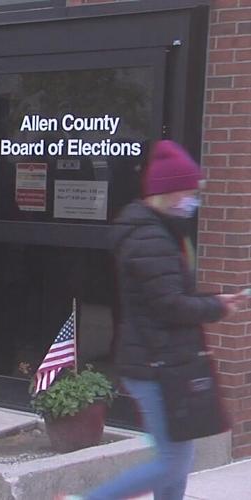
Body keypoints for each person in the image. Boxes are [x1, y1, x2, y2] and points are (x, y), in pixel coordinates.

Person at [66, 141, 247, 500]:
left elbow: (169, 294)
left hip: (162, 359)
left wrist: (213, 299)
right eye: (189, 192)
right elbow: (170, 305)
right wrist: (217, 309)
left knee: (177, 455)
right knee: (172, 461)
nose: (193, 200)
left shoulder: (159, 231)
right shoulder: (149, 237)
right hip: (154, 362)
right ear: (168, 192)